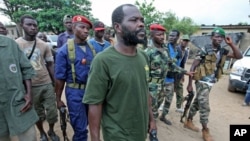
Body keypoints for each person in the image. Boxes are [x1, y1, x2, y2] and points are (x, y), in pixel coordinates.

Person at [83, 4, 156, 141]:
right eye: (134, 20)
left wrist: (151, 119)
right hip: (117, 134)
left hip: (140, 132)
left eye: (142, 20)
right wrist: (95, 139)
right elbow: (95, 104)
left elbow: (145, 91)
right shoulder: (103, 61)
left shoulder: (143, 57)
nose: (141, 24)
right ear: (118, 27)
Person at [184, 27, 242, 141]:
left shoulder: (222, 50)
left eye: (221, 37)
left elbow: (239, 56)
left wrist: (231, 44)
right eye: (216, 36)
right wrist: (190, 84)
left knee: (197, 102)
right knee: (204, 106)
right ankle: (205, 130)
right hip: (201, 81)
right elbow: (193, 66)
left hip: (210, 82)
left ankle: (188, 121)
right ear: (211, 38)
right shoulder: (205, 49)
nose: (219, 39)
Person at [16, 14, 59, 141]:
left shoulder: (44, 45)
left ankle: (51, 131)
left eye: (35, 25)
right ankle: (42, 133)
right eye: (29, 24)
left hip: (45, 82)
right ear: (22, 25)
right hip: (30, 86)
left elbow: (50, 64)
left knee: (52, 112)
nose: (33, 27)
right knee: (38, 113)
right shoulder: (16, 44)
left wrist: (55, 83)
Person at [55, 15, 94, 141]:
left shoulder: (91, 49)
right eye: (82, 27)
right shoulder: (64, 51)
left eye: (88, 28)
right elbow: (60, 78)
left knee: (89, 123)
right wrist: (58, 99)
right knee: (80, 128)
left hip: (91, 92)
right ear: (73, 27)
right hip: (75, 93)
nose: (86, 30)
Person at [145, 24, 192, 120]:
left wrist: (184, 71)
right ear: (151, 35)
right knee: (150, 110)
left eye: (163, 34)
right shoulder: (147, 52)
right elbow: (143, 73)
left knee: (157, 107)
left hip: (162, 85)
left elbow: (171, 64)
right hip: (151, 87)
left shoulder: (165, 50)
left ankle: (152, 122)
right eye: (159, 35)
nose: (162, 37)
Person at [0, 35, 38, 141]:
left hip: (17, 101)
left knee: (29, 136)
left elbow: (26, 69)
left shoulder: (9, 44)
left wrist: (29, 94)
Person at [159, 29, 183, 125]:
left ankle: (163, 116)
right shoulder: (164, 47)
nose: (171, 37)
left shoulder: (178, 50)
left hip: (171, 79)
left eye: (174, 36)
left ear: (178, 37)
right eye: (170, 35)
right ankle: (152, 118)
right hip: (161, 79)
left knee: (168, 100)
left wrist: (177, 80)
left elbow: (179, 65)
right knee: (158, 100)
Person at [174, 35, 190, 113]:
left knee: (179, 90)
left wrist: (183, 75)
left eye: (187, 41)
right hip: (172, 72)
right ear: (181, 40)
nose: (185, 42)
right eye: (184, 40)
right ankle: (162, 104)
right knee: (167, 89)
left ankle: (178, 106)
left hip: (179, 73)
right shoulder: (176, 49)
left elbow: (182, 64)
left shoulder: (186, 52)